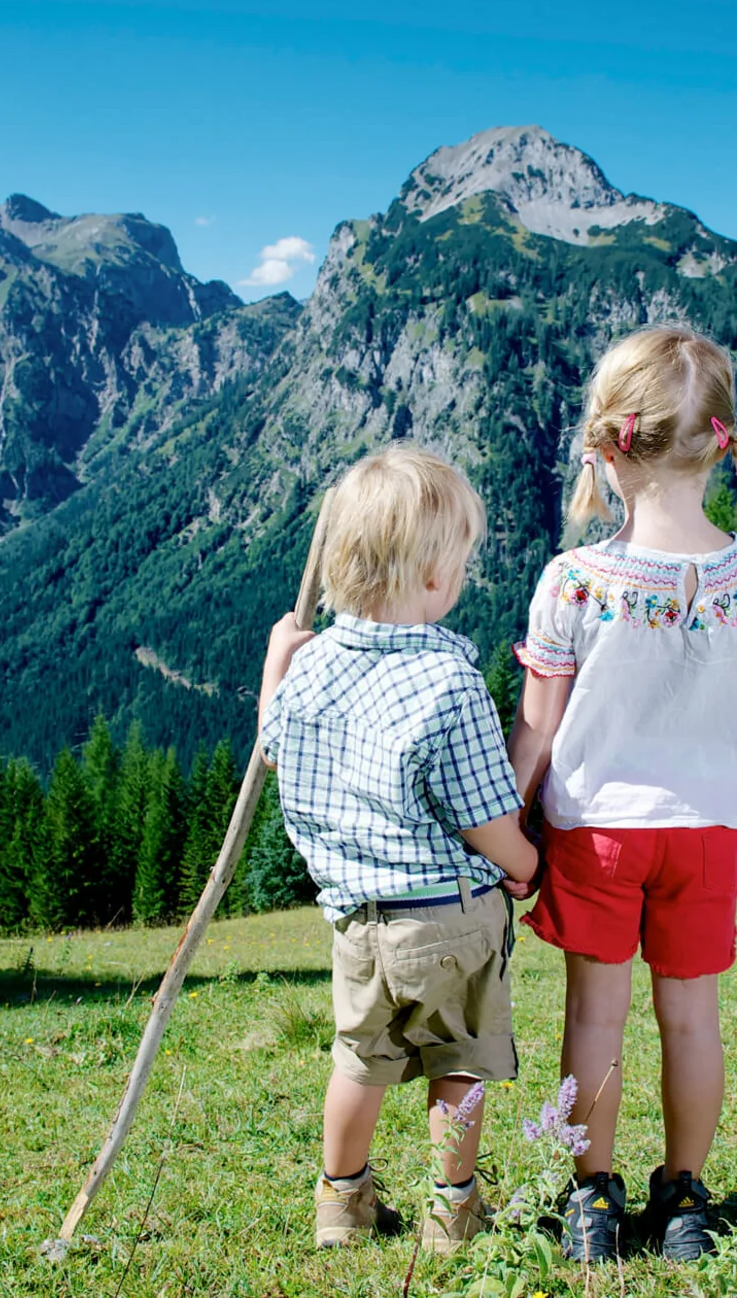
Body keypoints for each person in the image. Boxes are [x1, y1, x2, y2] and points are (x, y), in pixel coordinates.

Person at [508, 326, 737, 1263]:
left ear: (607, 446)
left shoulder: (575, 582)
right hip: (708, 830)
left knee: (596, 1014)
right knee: (692, 1017)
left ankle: (591, 1197)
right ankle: (685, 1197)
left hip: (596, 834)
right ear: (722, 443)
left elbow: (538, 732)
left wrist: (511, 815)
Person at [258, 446, 542, 1255]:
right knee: (457, 1061)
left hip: (355, 924)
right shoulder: (448, 680)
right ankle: (453, 1211)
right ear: (428, 574)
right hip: (446, 916)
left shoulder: (309, 672)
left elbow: (273, 749)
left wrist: (277, 665)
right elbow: (485, 814)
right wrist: (524, 865)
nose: (460, 577)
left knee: (358, 1061)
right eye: (457, 562)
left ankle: (339, 1205)